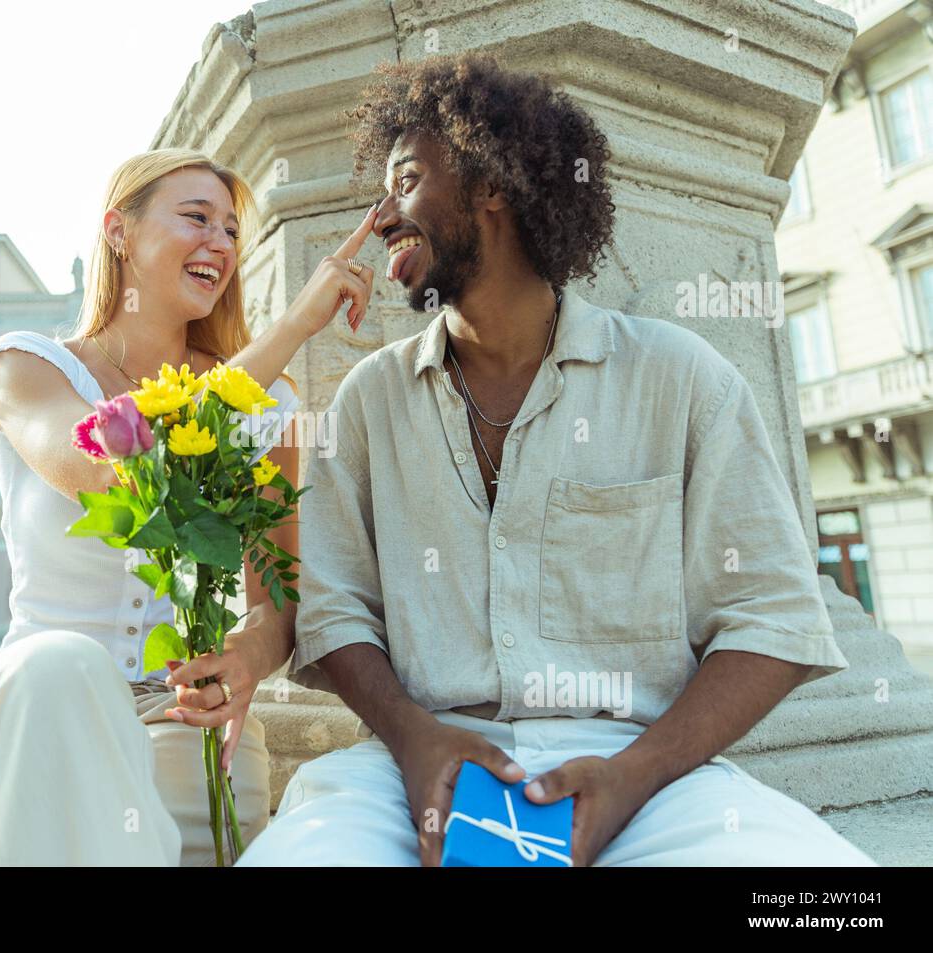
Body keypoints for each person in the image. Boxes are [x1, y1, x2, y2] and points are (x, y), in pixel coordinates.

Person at [237, 54, 877, 867]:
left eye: (405, 181)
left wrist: (632, 777)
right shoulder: (369, 401)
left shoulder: (680, 378)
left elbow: (772, 619)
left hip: (648, 776)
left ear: (490, 184)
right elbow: (333, 616)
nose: (382, 213)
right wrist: (416, 742)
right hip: (413, 765)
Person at [0, 147, 379, 865]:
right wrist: (289, 331)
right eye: (196, 218)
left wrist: (245, 659)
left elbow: (275, 600)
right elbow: (116, 475)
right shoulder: (28, 367)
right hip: (33, 715)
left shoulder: (273, 408)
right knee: (62, 668)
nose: (218, 243)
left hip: (187, 731)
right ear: (117, 232)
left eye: (229, 231)